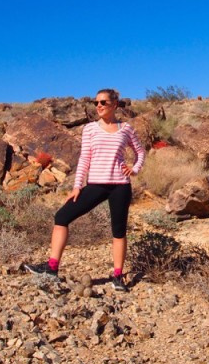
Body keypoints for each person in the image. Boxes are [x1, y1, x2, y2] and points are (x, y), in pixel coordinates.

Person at [25, 88, 146, 291]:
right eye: (96, 102)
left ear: (115, 105)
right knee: (62, 217)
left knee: (118, 231)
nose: (98, 106)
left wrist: (134, 169)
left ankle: (118, 277)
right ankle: (52, 267)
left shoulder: (126, 128)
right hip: (96, 185)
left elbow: (140, 152)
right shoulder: (90, 129)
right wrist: (76, 186)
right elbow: (84, 159)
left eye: (103, 102)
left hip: (120, 187)